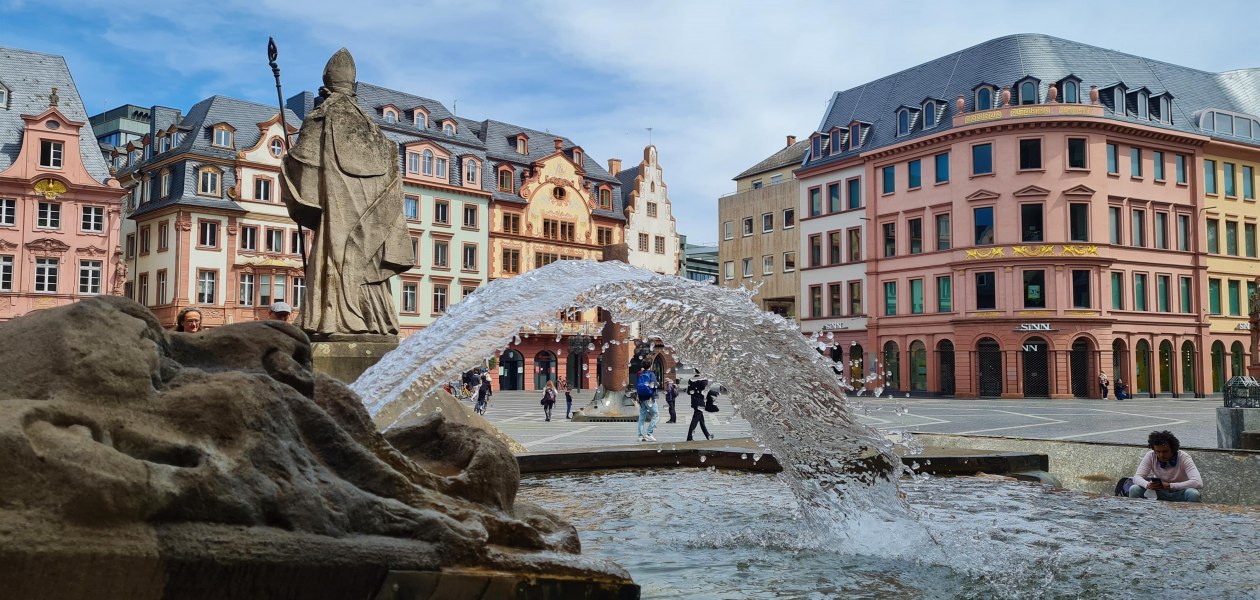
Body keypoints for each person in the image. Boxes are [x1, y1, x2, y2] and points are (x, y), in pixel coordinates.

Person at [280, 48, 411, 337]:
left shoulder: (320, 119)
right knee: (367, 264)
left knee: (336, 257)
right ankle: (376, 321)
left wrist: (287, 162)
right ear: (354, 90)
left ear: (325, 88)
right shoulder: (375, 132)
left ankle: (333, 321)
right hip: (374, 220)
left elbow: (304, 165)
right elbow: (392, 175)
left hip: (338, 217)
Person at [1127, 430, 1203, 502]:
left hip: (1179, 492)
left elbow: (1198, 482)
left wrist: (1170, 486)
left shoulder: (1183, 457)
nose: (1161, 455)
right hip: (1158, 492)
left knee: (1193, 494)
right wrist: (1148, 485)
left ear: (1173, 449)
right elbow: (1137, 477)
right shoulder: (1151, 456)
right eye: (1158, 451)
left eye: (1165, 451)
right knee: (1134, 489)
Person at [686, 371, 713, 442]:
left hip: (694, 402)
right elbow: (707, 389)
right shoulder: (703, 380)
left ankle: (708, 435)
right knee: (695, 420)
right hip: (700, 403)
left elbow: (689, 392)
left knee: (701, 420)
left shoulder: (691, 379)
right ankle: (689, 437)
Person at [635, 367, 659, 442]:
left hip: (642, 398)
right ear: (650, 366)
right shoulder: (651, 374)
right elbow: (654, 385)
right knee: (656, 415)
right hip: (649, 398)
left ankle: (640, 436)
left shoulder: (640, 373)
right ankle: (649, 433)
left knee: (642, 417)